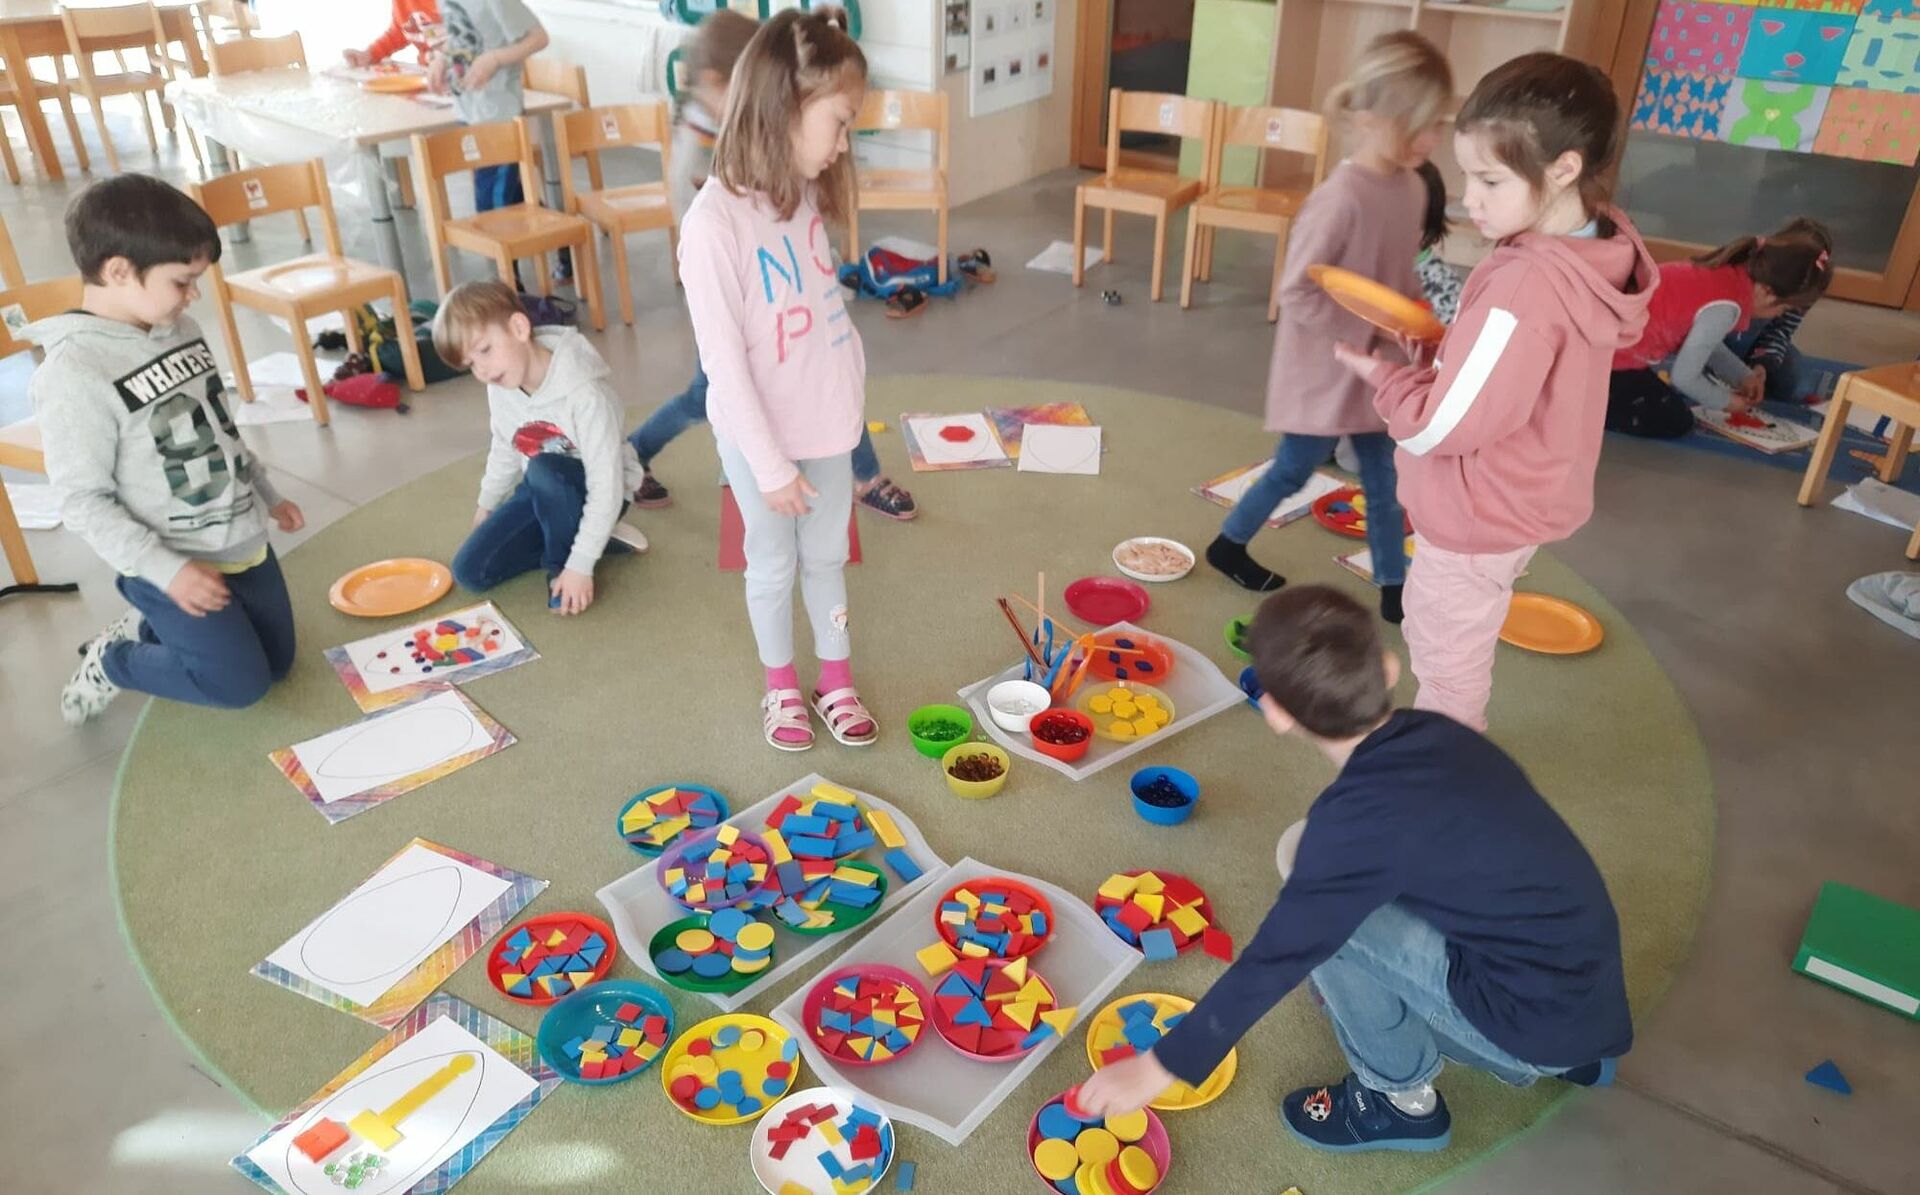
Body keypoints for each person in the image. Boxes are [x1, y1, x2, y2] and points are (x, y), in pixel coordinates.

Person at [1075, 586, 1628, 1154]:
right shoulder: (1441, 735)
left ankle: (1400, 1101)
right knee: (1330, 893)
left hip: (1529, 1025)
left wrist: (1160, 1066)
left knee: (1325, 933)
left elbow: (1276, 959)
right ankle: (1575, 1060)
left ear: (1277, 713)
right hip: (1586, 991)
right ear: (1387, 668)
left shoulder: (1350, 825)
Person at [1332, 52, 1657, 732]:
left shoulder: (1522, 284)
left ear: (1564, 168)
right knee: (1459, 636)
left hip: (1477, 510)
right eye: (1466, 176)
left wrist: (1386, 378)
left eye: (1489, 179)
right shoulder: (1591, 251)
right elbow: (1513, 372)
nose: (1468, 200)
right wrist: (1444, 349)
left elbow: (1439, 427)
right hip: (1524, 493)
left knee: (1446, 662)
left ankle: (1447, 786)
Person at [32, 175, 304, 725]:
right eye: (182, 281)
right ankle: (116, 659)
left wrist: (268, 494)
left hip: (239, 537)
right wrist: (166, 570)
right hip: (171, 561)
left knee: (278, 665)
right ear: (117, 271)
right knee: (239, 686)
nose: (193, 296)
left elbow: (220, 429)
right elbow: (83, 501)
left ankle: (150, 627)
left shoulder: (177, 326)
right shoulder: (74, 372)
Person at [625, 9, 917, 522]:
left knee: (821, 376)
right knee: (708, 394)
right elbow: (702, 234)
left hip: (782, 316)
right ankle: (632, 453)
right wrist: (764, 462)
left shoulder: (789, 170)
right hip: (739, 305)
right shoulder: (707, 167)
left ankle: (863, 474)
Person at [679, 6, 879, 751]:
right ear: (785, 109)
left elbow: (823, 310)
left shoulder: (802, 194)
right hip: (762, 444)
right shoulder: (712, 227)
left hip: (827, 426)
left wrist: (849, 403)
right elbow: (724, 366)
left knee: (827, 558)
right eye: (839, 120)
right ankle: (782, 689)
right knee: (772, 564)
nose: (845, 141)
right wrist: (768, 465)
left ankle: (836, 678)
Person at [1205, 32, 1450, 624]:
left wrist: (1420, 324)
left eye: (1437, 124)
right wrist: (1359, 335)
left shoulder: (1413, 187)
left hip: (1380, 367)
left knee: (1386, 480)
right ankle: (1228, 543)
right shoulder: (1339, 198)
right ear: (1369, 119)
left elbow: (1399, 275)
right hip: (1324, 366)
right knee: (1294, 467)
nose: (1430, 139)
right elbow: (1297, 289)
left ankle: (1394, 587)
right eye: (1417, 124)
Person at [435, 281, 648, 615]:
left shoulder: (586, 395)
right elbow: (507, 446)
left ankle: (561, 561)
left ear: (519, 327)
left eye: (485, 350)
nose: (483, 371)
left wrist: (578, 566)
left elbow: (606, 484)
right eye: (471, 363)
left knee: (544, 469)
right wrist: (486, 505)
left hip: (602, 490)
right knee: (470, 571)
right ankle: (594, 537)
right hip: (541, 492)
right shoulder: (501, 385)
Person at [1607, 218, 1833, 438]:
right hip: (1608, 356)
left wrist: (1742, 376)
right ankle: (1586, 403)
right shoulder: (1726, 307)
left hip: (1611, 343)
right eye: (1782, 309)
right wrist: (1726, 401)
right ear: (1766, 292)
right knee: (1675, 421)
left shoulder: (1733, 276)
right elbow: (1684, 377)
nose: (1779, 315)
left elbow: (1708, 344)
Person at [428, 0, 547, 216]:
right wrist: (442, 59)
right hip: (468, 110)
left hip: (499, 115)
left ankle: (523, 240)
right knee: (507, 196)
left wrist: (495, 59)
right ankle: (553, 232)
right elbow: (461, 34)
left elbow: (539, 38)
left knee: (492, 208)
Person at [342, 0, 440, 68]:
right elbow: (401, 30)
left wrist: (440, 59)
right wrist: (370, 54)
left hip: (450, 72)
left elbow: (453, 41)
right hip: (431, 73)